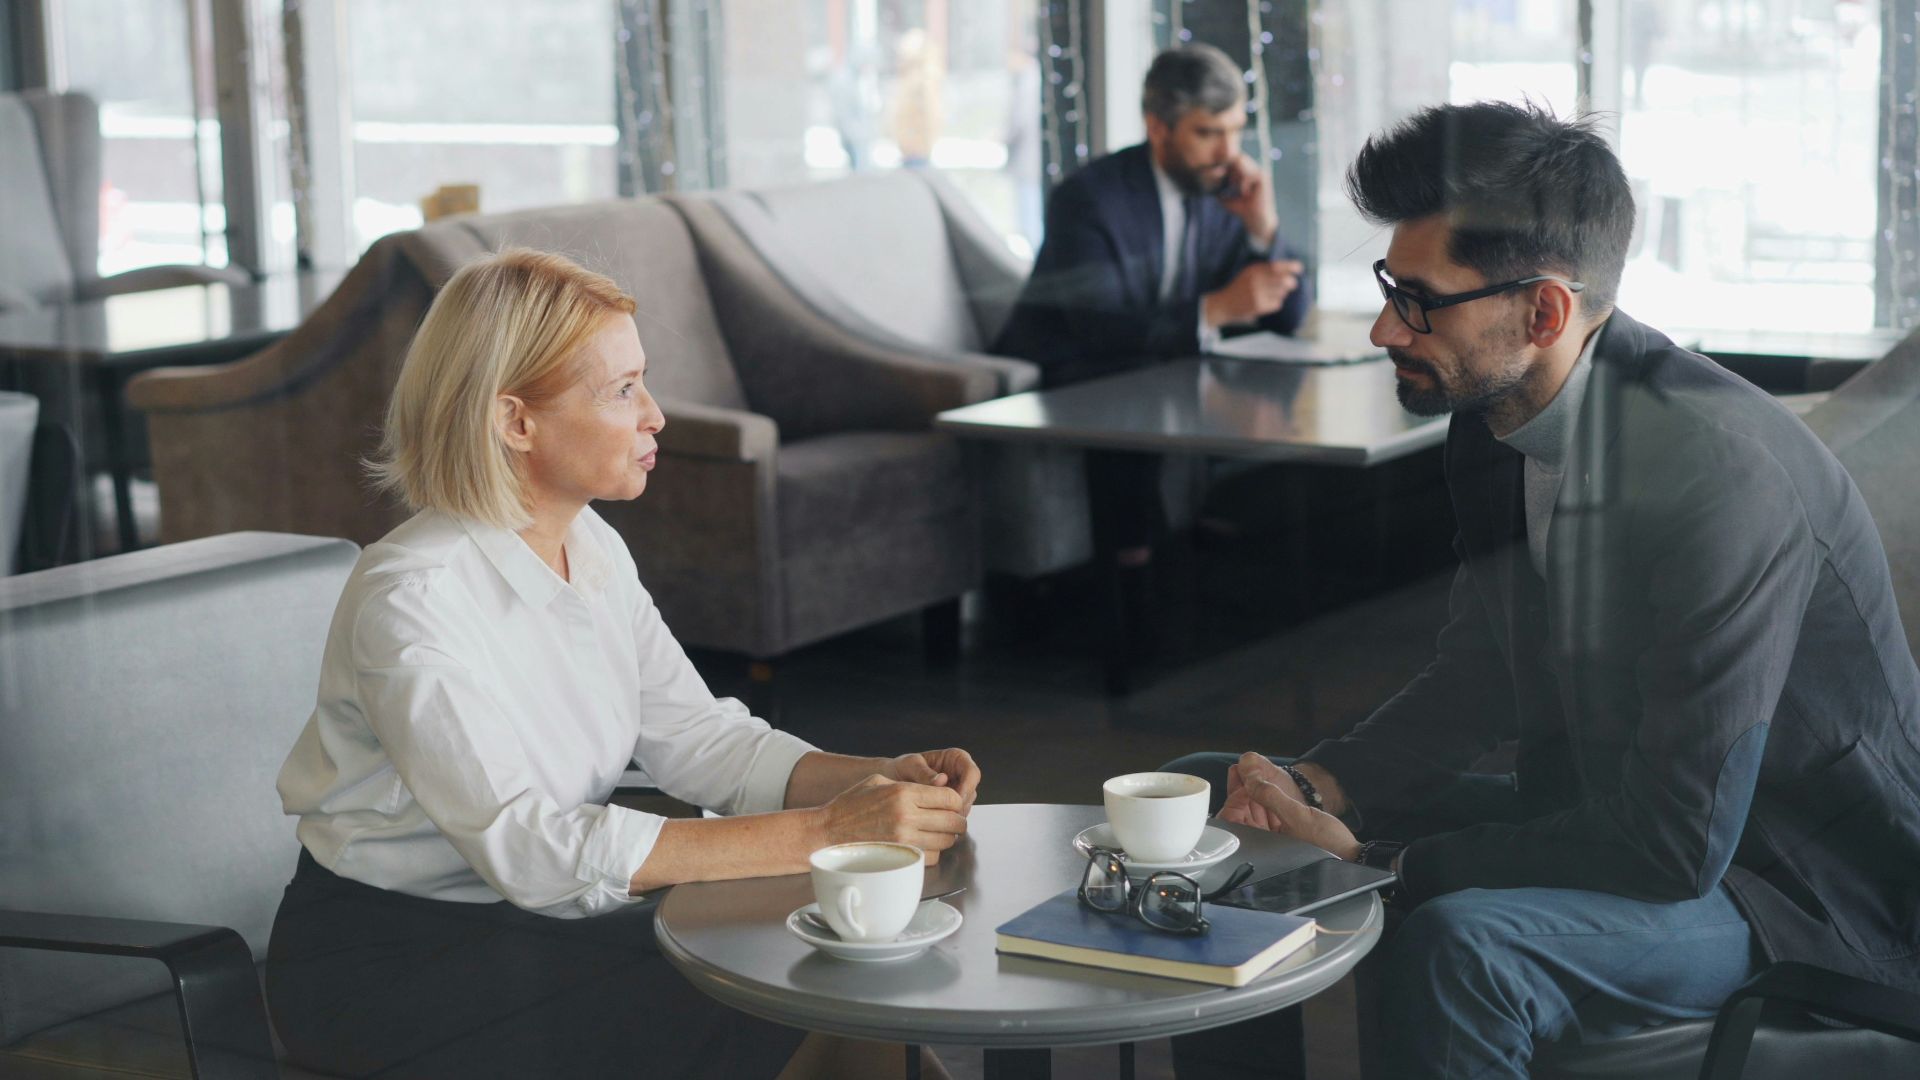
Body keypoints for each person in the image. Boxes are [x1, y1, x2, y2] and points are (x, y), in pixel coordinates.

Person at [1163, 101, 1920, 1078]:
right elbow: (1478, 674)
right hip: (1614, 809)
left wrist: (1367, 863)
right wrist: (1319, 787)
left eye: (1422, 302)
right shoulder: (1491, 415)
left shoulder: (1719, 478)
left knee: (1461, 945)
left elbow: (1673, 845)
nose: (1389, 326)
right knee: (1207, 789)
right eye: (1393, 286)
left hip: (1790, 886)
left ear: (1545, 312)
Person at [266, 249, 982, 1079]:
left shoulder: (589, 544)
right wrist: (827, 834)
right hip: (390, 965)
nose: (656, 416)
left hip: (532, 927)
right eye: (621, 390)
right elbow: (532, 851)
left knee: (843, 981)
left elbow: (704, 739)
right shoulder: (412, 599)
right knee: (777, 986)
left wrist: (874, 782)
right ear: (515, 422)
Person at [993, 43, 1312, 666]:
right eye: (1207, 133)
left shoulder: (1223, 193)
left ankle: (1221, 586)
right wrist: (1218, 308)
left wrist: (1262, 229)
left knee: (1253, 393)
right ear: (1158, 127)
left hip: (1159, 364)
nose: (1227, 152)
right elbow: (1096, 328)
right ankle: (1132, 612)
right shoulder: (1090, 197)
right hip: (1072, 372)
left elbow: (1289, 315)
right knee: (1133, 385)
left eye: (1235, 132)